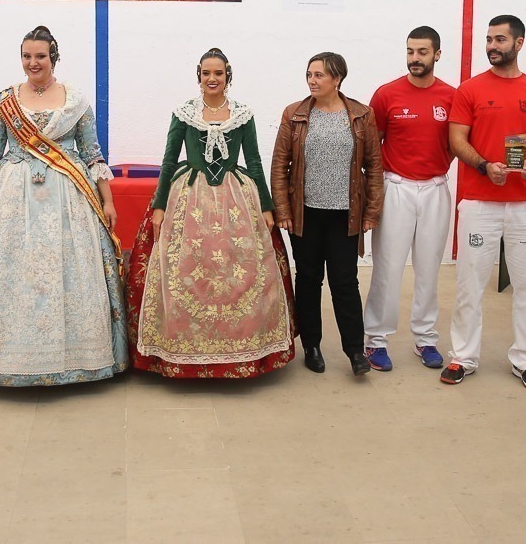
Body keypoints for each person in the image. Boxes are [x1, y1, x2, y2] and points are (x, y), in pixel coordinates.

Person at [0, 26, 127, 386]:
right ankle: (3, 356)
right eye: (26, 56)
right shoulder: (5, 102)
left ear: (53, 57)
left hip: (68, 196)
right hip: (12, 198)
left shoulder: (76, 102)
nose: (32, 63)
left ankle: (76, 357)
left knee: (70, 270)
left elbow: (93, 154)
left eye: (40, 56)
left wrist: (108, 200)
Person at [125, 48, 296, 378]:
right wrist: (159, 206)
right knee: (186, 270)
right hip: (189, 197)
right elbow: (169, 160)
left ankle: (241, 346)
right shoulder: (184, 113)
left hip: (236, 199)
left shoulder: (243, 115)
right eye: (206, 73)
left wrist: (265, 206)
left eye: (218, 73)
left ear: (227, 75)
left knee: (241, 273)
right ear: (199, 75)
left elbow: (256, 162)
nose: (212, 79)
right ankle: (180, 348)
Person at [443, 14, 526, 391]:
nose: (492, 46)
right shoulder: (470, 89)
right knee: (469, 283)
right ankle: (463, 356)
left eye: (500, 40)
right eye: (489, 40)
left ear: (519, 43)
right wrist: (482, 164)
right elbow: (457, 139)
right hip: (479, 202)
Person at [271, 52, 383, 376]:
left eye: (319, 75)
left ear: (337, 79)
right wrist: (283, 210)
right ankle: (312, 346)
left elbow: (374, 167)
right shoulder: (294, 114)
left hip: (345, 214)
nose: (312, 80)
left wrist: (372, 212)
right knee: (308, 280)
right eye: (309, 74)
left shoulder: (362, 115)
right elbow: (280, 166)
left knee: (345, 281)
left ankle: (355, 352)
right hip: (305, 214)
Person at [362, 26, 457, 371]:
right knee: (387, 267)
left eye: (422, 52)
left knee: (429, 268)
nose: (415, 58)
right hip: (396, 189)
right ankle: (375, 340)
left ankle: (426, 338)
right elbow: (373, 148)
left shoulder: (451, 96)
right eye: (410, 51)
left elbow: (456, 143)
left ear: (437, 55)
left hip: (435, 190)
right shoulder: (387, 95)